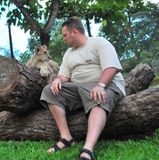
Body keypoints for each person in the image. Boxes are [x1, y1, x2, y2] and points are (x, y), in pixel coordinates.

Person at [40, 17, 125, 160]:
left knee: (98, 96)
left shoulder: (99, 43)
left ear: (74, 32)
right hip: (79, 88)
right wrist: (57, 80)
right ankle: (66, 138)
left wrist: (100, 85)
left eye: (65, 35)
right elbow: (64, 75)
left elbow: (112, 68)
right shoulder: (69, 53)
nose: (63, 39)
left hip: (105, 84)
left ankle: (88, 149)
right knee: (49, 91)